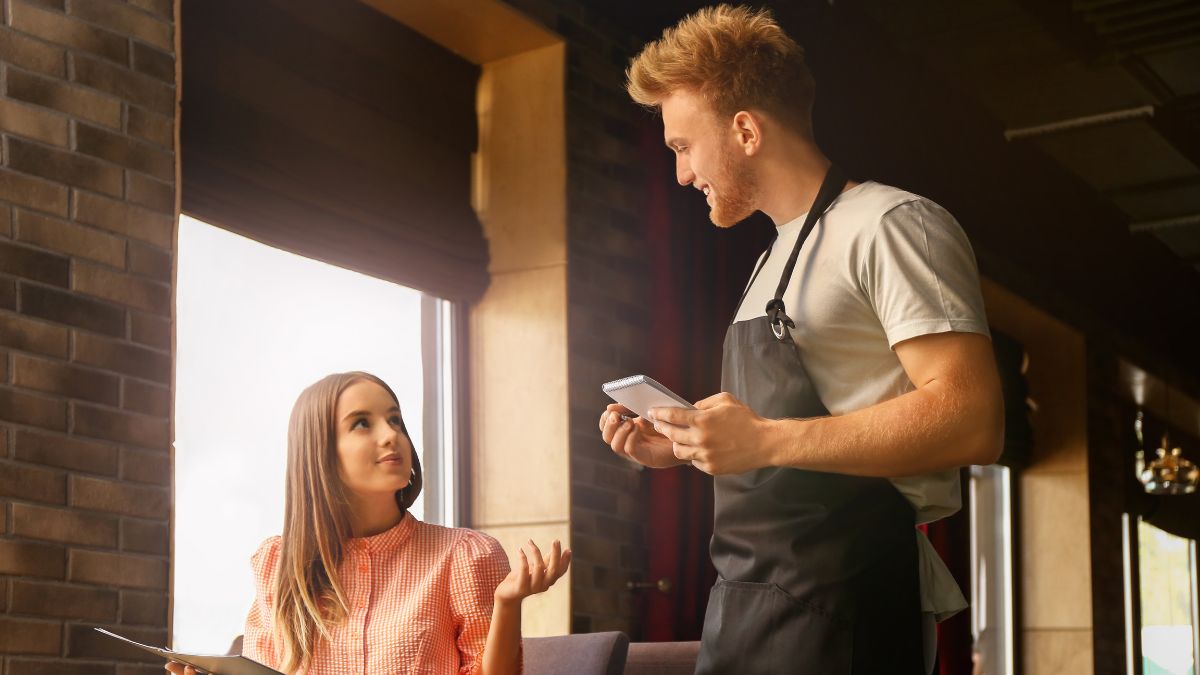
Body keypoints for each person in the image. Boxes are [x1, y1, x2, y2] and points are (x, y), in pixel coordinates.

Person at [599, 5, 1003, 674]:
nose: (680, 174)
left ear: (747, 130)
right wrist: (687, 444)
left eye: (682, 146)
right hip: (745, 607)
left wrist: (764, 439)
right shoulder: (771, 258)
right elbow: (786, 436)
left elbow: (972, 419)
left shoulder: (893, 223)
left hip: (850, 605)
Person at [169, 371, 569, 675]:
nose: (390, 435)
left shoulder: (464, 556)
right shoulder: (277, 562)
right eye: (362, 423)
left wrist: (507, 603)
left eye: (395, 420)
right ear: (319, 453)